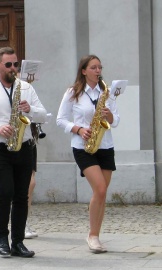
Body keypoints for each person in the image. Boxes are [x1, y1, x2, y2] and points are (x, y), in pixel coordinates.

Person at [0, 47, 47, 257]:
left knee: (22, 195)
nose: (13, 69)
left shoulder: (26, 88)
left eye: (15, 65)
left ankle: (18, 242)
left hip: (24, 145)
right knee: (5, 191)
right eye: (8, 65)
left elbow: (44, 115)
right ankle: (2, 238)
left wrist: (30, 109)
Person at [56, 55, 120, 253]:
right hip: (83, 146)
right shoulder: (73, 92)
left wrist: (109, 115)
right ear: (84, 71)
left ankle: (96, 235)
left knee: (101, 193)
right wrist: (78, 129)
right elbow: (61, 119)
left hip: (106, 145)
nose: (98, 70)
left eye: (100, 67)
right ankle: (92, 235)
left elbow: (116, 120)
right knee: (100, 188)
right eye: (93, 67)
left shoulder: (107, 93)